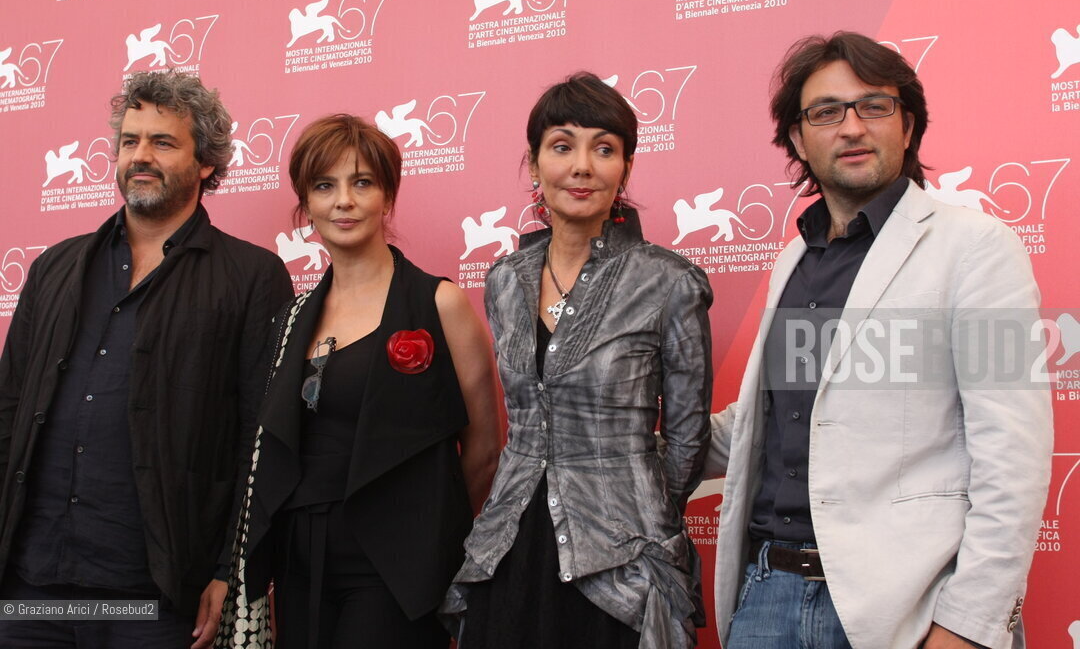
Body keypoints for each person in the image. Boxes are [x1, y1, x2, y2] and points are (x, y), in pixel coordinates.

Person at [704, 32, 1053, 649]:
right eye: (827, 111)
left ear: (908, 124)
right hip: (765, 597)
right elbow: (781, 418)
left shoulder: (977, 248)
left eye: (874, 106)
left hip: (905, 607)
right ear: (796, 138)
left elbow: (1014, 457)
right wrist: (631, 445)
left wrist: (965, 628)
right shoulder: (794, 260)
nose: (852, 127)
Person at [0, 69, 294, 648]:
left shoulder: (251, 277)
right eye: (130, 140)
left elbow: (255, 444)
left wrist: (225, 569)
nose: (141, 155)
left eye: (163, 142)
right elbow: (9, 409)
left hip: (157, 594)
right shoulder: (54, 268)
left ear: (206, 162)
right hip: (31, 587)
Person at [443, 72, 714, 648]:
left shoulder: (668, 283)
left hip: (620, 553)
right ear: (535, 164)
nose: (583, 166)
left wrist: (636, 504)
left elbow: (688, 437)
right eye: (562, 146)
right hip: (512, 543)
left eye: (605, 148)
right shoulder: (504, 281)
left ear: (626, 169)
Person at [217, 114, 501, 649]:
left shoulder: (439, 304)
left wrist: (425, 535)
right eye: (325, 186)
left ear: (387, 197)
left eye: (362, 182)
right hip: (299, 563)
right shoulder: (292, 317)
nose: (343, 201)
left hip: (395, 565)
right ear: (306, 204)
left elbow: (485, 449)